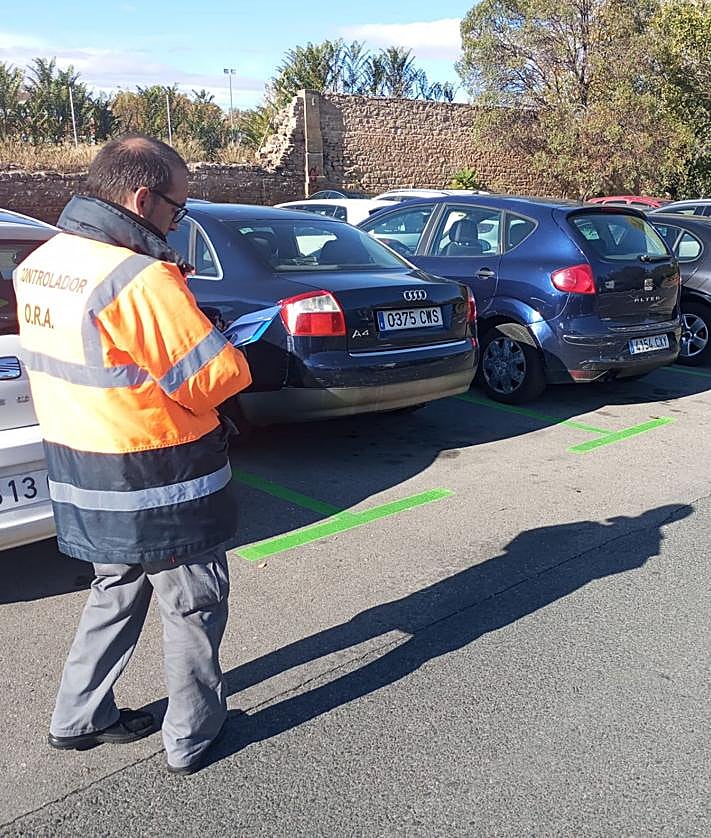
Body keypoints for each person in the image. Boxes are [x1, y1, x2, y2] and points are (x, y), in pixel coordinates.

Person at [13, 134, 252, 775]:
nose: (179, 220)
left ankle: (79, 715)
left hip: (80, 464)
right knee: (194, 601)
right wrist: (230, 345)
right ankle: (193, 736)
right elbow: (210, 379)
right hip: (158, 472)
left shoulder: (43, 261)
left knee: (114, 587)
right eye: (177, 208)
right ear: (143, 199)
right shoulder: (140, 277)